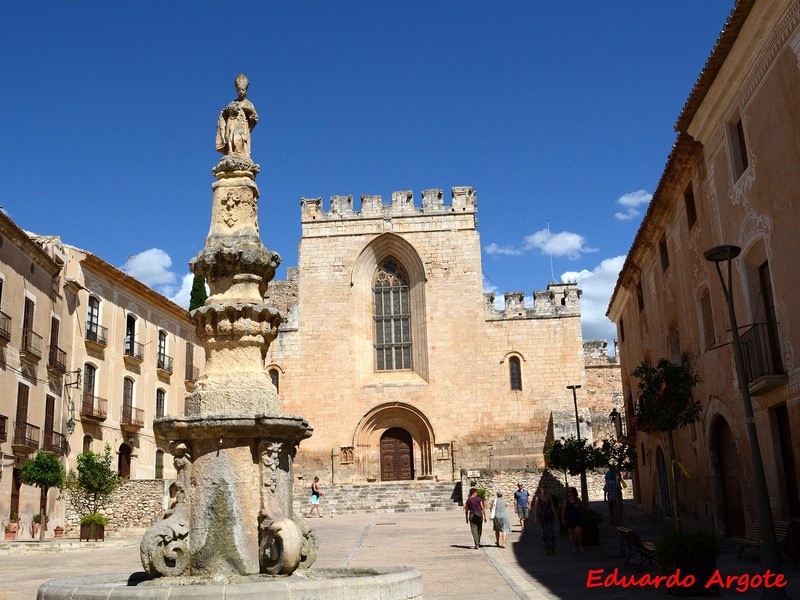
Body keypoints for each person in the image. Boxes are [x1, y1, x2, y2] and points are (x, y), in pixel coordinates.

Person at [216, 74, 259, 159]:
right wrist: (227, 111)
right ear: (236, 90)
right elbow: (224, 113)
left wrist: (249, 112)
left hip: (242, 126)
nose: (241, 92)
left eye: (243, 90)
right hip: (232, 123)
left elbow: (255, 118)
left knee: (238, 139)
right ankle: (231, 151)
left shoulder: (248, 104)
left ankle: (239, 153)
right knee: (230, 138)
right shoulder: (232, 103)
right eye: (239, 90)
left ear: (246, 91)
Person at [533, 483, 556, 554]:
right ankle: (546, 548)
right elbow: (535, 509)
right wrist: (535, 518)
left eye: (545, 487)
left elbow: (552, 506)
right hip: (542, 518)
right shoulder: (538, 498)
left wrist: (555, 515)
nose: (544, 489)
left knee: (551, 533)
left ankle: (551, 547)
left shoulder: (549, 497)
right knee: (544, 533)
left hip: (549, 517)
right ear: (540, 489)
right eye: (543, 487)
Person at [562, 486, 584, 553]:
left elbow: (583, 508)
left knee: (579, 532)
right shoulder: (566, 500)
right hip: (569, 518)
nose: (570, 493)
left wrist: (579, 506)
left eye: (571, 491)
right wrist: (563, 518)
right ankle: (573, 547)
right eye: (569, 491)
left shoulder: (578, 500)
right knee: (571, 534)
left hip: (577, 518)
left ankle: (580, 546)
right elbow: (563, 510)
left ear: (574, 492)